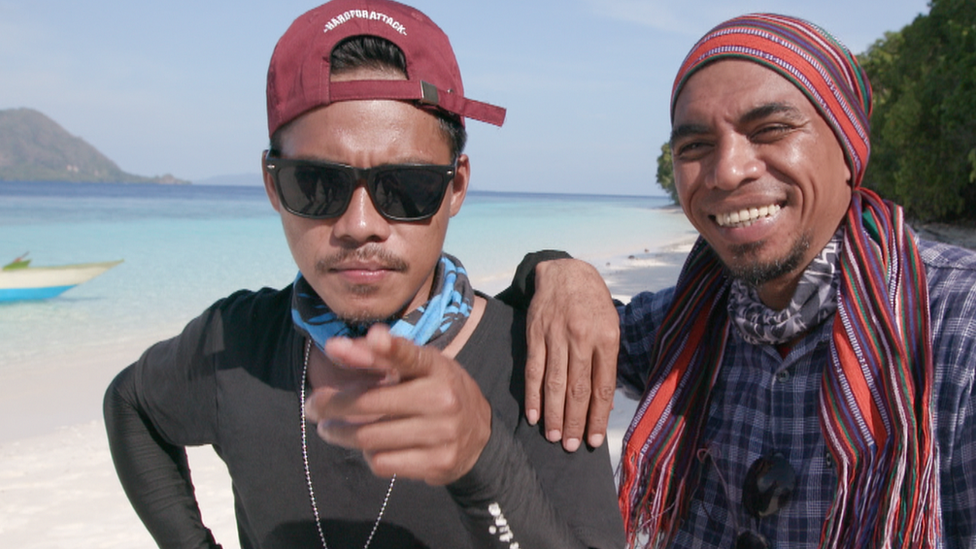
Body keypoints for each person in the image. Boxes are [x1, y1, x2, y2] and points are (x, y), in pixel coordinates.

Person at [102, 1, 624, 548]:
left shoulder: (541, 361)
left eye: (405, 187)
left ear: (456, 187)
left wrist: (483, 456)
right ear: (272, 184)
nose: (359, 225)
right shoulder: (239, 343)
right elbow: (131, 404)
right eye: (317, 185)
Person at [509, 13, 976, 549]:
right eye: (695, 146)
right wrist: (558, 270)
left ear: (849, 149)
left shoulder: (955, 326)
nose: (727, 171)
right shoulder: (684, 322)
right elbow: (513, 329)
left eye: (771, 130)